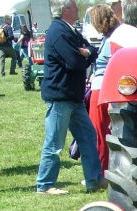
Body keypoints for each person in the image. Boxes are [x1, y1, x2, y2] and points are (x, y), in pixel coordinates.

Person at [36, 0, 102, 195]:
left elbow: (92, 50)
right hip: (60, 96)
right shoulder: (58, 32)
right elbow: (74, 62)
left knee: (88, 136)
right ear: (65, 9)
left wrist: (86, 52)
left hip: (74, 97)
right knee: (55, 142)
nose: (78, 9)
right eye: (74, 6)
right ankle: (45, 184)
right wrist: (83, 54)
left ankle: (94, 179)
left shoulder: (70, 30)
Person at [89, 4, 119, 172]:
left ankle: (100, 169)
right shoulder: (109, 38)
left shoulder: (110, 40)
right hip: (102, 87)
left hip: (101, 89)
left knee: (99, 130)